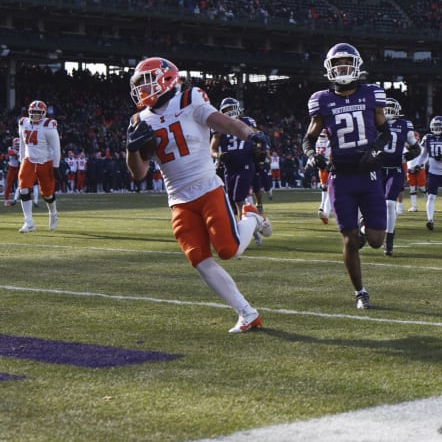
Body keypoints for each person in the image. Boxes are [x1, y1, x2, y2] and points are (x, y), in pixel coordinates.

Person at [125, 57, 271, 333]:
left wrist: (250, 134)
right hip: (179, 200)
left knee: (229, 250)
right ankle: (247, 313)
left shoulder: (189, 99)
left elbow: (224, 123)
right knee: (199, 259)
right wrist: (131, 149)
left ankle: (250, 216)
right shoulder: (138, 120)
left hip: (207, 187)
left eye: (146, 80)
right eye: (139, 84)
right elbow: (139, 173)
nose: (142, 88)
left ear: (166, 78)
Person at [302, 42, 392, 309]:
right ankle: (360, 292)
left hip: (369, 174)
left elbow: (385, 132)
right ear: (330, 68)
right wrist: (311, 155)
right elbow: (309, 138)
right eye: (337, 63)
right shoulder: (321, 100)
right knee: (349, 240)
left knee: (376, 240)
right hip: (340, 177)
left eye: (347, 63)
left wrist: (376, 150)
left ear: (356, 67)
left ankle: (364, 229)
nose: (342, 67)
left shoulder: (372, 94)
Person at [380, 97, 420, 255]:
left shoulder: (404, 125)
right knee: (371, 203)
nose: (388, 111)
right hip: (378, 169)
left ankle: (388, 240)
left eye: (391, 108)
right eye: (386, 108)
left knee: (390, 204)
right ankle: (363, 231)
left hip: (395, 169)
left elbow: (416, 149)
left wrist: (404, 157)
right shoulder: (376, 122)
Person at [16, 100, 61, 232]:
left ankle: (53, 214)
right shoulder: (23, 123)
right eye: (33, 112)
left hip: (45, 162)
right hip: (29, 160)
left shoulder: (48, 125)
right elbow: (22, 144)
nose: (35, 115)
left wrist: (56, 166)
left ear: (44, 113)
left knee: (47, 194)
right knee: (23, 189)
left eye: (37, 112)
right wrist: (21, 160)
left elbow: (56, 148)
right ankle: (28, 222)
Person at [313, 128, 332, 224]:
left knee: (324, 188)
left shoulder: (317, 142)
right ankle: (324, 209)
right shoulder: (328, 141)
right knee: (330, 189)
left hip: (320, 168)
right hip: (328, 166)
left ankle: (322, 207)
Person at [405, 131, 426, 212]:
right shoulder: (405, 148)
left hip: (420, 168)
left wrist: (420, 165)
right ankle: (414, 206)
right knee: (412, 189)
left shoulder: (422, 147)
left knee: (422, 188)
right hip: (410, 169)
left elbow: (425, 158)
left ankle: (429, 203)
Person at [3, 137, 20, 206]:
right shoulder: (11, 148)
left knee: (22, 184)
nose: (17, 145)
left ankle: (23, 197)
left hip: (19, 168)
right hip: (11, 168)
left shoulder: (21, 149)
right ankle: (6, 200)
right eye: (16, 144)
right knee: (9, 184)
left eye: (18, 144)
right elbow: (10, 153)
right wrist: (17, 153)